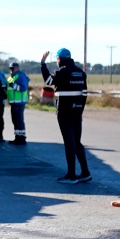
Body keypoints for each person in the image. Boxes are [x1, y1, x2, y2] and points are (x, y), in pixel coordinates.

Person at [41, 48, 91, 184]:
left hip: (64, 111)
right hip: (77, 111)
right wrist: (80, 109)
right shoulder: (81, 73)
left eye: (57, 59)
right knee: (77, 141)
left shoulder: (62, 71)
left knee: (69, 142)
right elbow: (85, 93)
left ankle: (71, 175)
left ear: (59, 59)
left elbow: (49, 81)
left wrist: (43, 65)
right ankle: (85, 172)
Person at [6, 62, 30, 145]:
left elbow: (23, 88)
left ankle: (22, 138)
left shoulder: (20, 75)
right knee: (15, 121)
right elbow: (8, 88)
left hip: (19, 103)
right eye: (10, 69)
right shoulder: (11, 77)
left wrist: (14, 85)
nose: (11, 70)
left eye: (12, 68)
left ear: (17, 68)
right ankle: (17, 137)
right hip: (13, 103)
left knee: (19, 121)